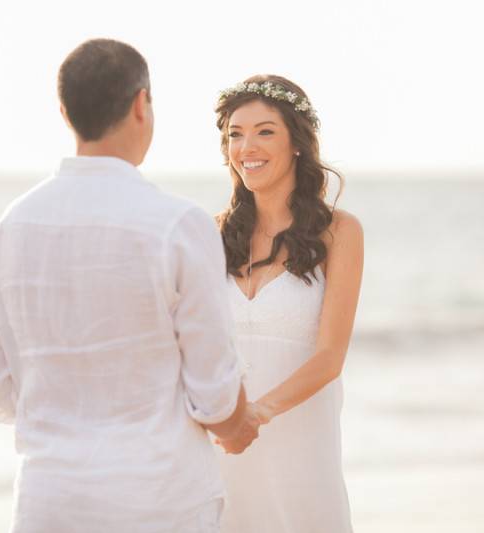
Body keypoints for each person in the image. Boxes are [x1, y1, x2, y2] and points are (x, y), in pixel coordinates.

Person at [0, 38, 260, 533]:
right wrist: (240, 424)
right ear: (140, 105)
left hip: (47, 503)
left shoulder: (11, 227)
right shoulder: (178, 224)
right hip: (159, 502)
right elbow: (215, 396)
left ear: (65, 114)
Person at [212, 75, 364, 533]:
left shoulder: (340, 232)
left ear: (296, 141)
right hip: (221, 452)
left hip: (299, 453)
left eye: (264, 131)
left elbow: (329, 356)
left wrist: (257, 413)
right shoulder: (210, 233)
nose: (246, 147)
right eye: (235, 134)